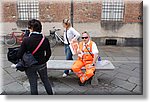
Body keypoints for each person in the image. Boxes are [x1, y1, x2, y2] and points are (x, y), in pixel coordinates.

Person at [17, 19, 53, 95]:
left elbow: (19, 54)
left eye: (29, 27)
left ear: (32, 28)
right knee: (46, 81)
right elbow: (49, 53)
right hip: (42, 64)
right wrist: (44, 60)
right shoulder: (44, 39)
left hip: (30, 65)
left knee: (33, 84)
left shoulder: (26, 40)